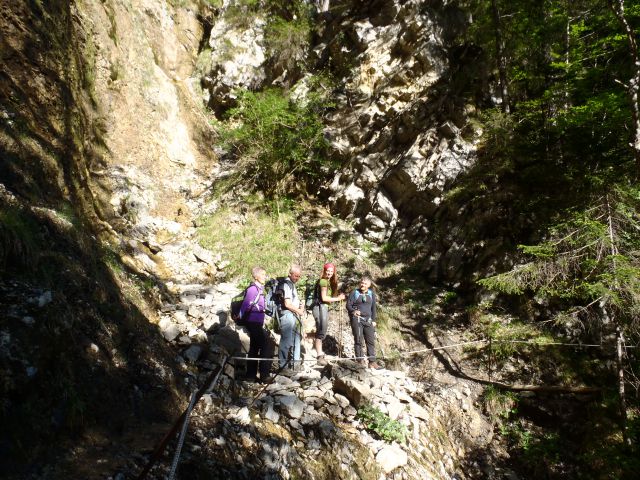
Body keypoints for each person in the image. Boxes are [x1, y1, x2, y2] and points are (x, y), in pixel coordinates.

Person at [239, 266, 272, 382]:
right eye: (263, 275)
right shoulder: (253, 289)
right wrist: (239, 316)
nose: (265, 277)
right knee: (266, 345)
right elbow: (246, 304)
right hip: (253, 322)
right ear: (256, 276)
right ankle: (264, 375)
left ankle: (250, 375)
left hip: (257, 322)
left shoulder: (260, 289)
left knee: (254, 347)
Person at [312, 262, 346, 365]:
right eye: (328, 271)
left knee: (321, 331)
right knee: (321, 331)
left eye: (331, 271)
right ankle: (319, 356)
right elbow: (324, 298)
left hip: (323, 307)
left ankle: (304, 336)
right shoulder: (323, 281)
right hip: (320, 307)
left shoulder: (328, 282)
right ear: (324, 271)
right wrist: (338, 298)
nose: (330, 273)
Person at [346, 276, 380, 369]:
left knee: (370, 341)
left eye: (365, 283)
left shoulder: (371, 294)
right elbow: (348, 305)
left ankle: (372, 362)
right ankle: (360, 361)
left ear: (369, 285)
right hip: (357, 319)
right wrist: (353, 311)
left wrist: (373, 320)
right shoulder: (354, 293)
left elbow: (373, 308)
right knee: (358, 340)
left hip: (368, 320)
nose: (362, 285)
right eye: (361, 283)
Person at [278, 265, 305, 371]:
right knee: (286, 340)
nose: (297, 278)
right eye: (295, 276)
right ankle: (283, 367)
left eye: (299, 276)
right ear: (290, 274)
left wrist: (300, 307)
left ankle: (296, 365)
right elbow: (287, 304)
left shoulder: (291, 285)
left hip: (293, 315)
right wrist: (299, 311)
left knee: (296, 339)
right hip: (287, 315)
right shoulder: (286, 285)